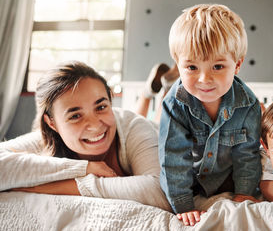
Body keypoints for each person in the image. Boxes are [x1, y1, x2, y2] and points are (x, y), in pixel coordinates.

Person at [0, 61, 171, 211]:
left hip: (150, 131)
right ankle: (152, 92)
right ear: (52, 123)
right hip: (129, 127)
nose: (95, 125)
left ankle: (163, 92)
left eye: (101, 107)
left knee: (160, 119)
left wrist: (51, 186)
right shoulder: (46, 138)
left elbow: (160, 191)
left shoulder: (133, 125)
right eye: (75, 116)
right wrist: (85, 168)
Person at [158, 4, 262, 226]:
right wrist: (184, 205)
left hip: (228, 181)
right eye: (192, 68)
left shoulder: (249, 104)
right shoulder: (174, 104)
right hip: (190, 180)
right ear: (178, 65)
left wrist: (244, 192)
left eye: (217, 66)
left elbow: (247, 155)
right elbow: (173, 158)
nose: (204, 79)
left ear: (237, 65)